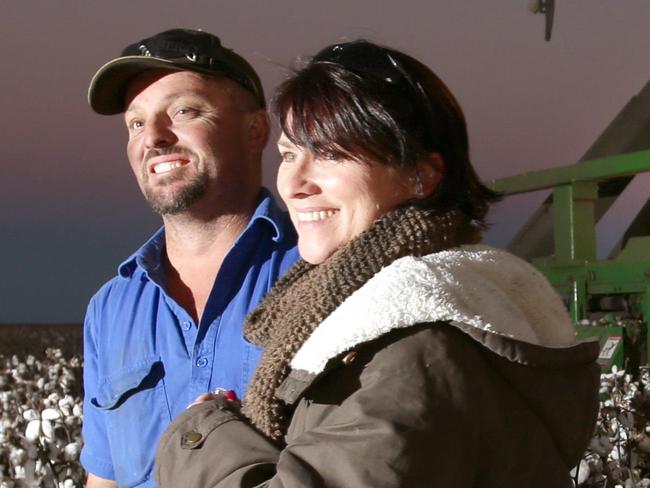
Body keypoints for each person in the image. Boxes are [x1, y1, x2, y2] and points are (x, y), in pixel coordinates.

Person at [155, 40, 600, 487]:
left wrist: (204, 434)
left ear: (421, 176)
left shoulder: (413, 347)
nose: (294, 182)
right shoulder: (407, 312)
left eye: (330, 153)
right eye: (290, 154)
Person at [81, 29, 298, 488]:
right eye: (136, 123)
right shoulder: (111, 308)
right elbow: (104, 480)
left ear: (255, 130)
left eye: (183, 111)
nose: (154, 137)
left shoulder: (323, 270)